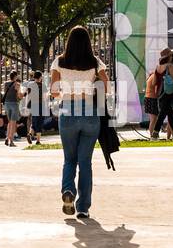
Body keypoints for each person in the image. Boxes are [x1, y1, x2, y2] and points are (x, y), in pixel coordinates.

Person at [50, 25, 110, 220]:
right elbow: (105, 88)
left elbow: (54, 90)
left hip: (68, 110)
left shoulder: (59, 61)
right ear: (88, 42)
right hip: (89, 112)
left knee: (69, 159)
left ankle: (68, 190)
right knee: (85, 161)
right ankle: (83, 207)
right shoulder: (95, 62)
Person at [152, 48, 173, 141]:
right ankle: (154, 135)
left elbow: (154, 82)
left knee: (170, 115)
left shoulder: (158, 67)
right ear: (169, 56)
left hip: (160, 92)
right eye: (171, 55)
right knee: (162, 114)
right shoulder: (170, 65)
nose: (172, 56)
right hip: (168, 92)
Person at [1, 72, 22, 147]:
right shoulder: (17, 84)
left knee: (9, 122)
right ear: (15, 76)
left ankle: (7, 137)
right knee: (13, 123)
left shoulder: (6, 83)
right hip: (14, 103)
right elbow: (18, 95)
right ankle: (11, 141)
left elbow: (5, 92)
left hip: (7, 103)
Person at [26, 71, 45, 144]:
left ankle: (30, 134)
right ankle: (38, 140)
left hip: (33, 105)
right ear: (40, 77)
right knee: (40, 122)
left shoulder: (30, 84)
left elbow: (28, 95)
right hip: (40, 105)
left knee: (34, 121)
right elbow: (44, 97)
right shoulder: (42, 85)